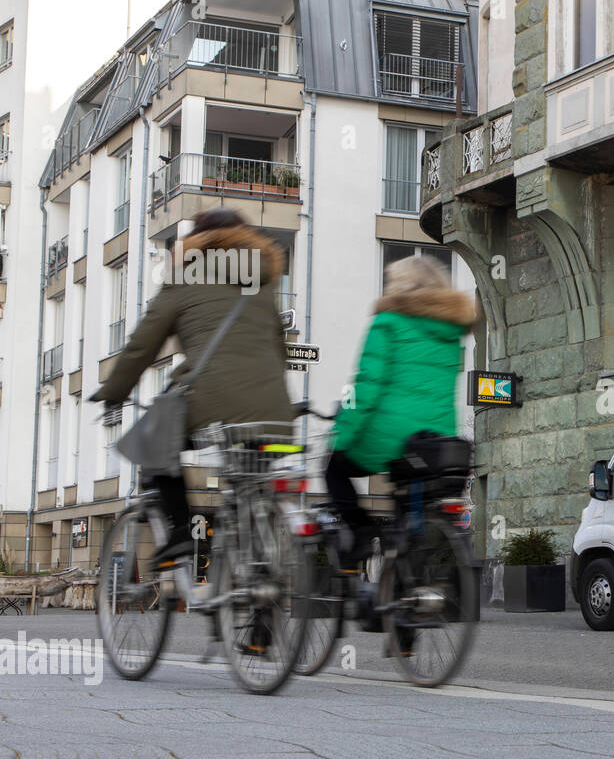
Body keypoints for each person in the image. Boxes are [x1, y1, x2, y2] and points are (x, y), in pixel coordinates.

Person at [90, 208, 293, 567]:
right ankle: (263, 582)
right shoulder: (263, 282)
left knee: (153, 443)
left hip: (210, 402)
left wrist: (113, 392)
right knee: (253, 479)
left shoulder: (186, 277)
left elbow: (143, 345)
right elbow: (278, 348)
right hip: (274, 412)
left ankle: (182, 533)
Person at [327, 255, 476, 565]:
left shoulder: (388, 322)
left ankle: (362, 532)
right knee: (409, 503)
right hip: (437, 441)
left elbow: (365, 386)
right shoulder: (450, 332)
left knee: (333, 468)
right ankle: (408, 578)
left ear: (403, 285)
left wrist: (342, 434)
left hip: (391, 439)